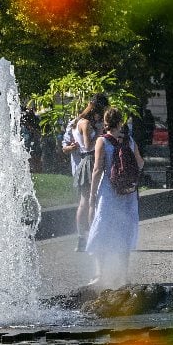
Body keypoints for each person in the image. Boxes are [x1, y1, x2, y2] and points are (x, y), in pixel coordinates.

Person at [84, 107, 143, 288]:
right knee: (123, 233)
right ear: (120, 122)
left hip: (109, 193)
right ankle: (123, 277)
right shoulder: (129, 140)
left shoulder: (102, 141)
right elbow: (140, 164)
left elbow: (97, 169)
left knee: (101, 229)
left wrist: (92, 196)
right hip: (127, 194)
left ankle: (101, 274)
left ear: (105, 121)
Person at [71, 93, 109, 247]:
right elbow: (88, 146)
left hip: (88, 160)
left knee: (86, 201)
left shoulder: (79, 121)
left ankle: (84, 237)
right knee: (88, 200)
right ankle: (87, 237)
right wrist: (100, 133)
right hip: (89, 160)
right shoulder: (85, 123)